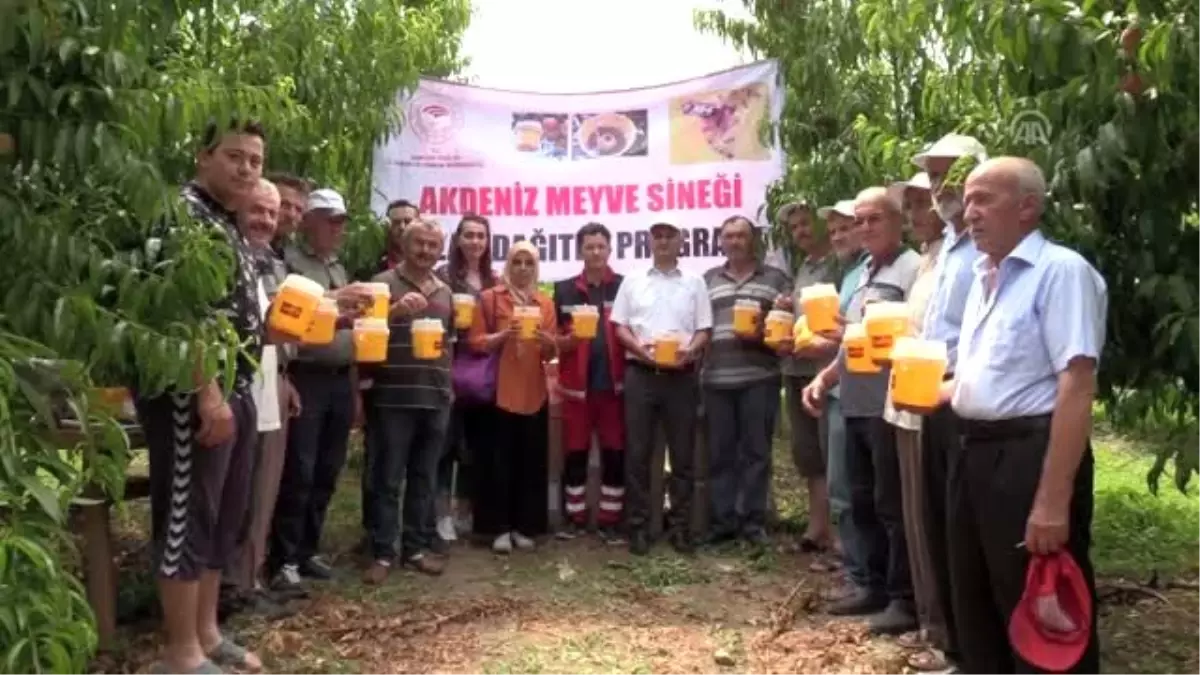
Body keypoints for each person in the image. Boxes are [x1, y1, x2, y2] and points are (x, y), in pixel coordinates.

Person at [900, 157, 1106, 674]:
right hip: (970, 453)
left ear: (1028, 208)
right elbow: (987, 376)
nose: (970, 211)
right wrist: (938, 392)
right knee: (975, 602)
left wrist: (1052, 502)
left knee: (1040, 607)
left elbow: (1077, 386)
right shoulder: (984, 276)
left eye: (984, 198)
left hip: (1025, 457)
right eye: (967, 199)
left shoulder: (1061, 272)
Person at [135, 119, 269, 675]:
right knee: (187, 519)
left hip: (237, 388)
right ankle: (181, 654)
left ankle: (208, 634)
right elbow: (174, 314)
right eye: (234, 156)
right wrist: (207, 394)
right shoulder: (182, 217)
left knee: (221, 519)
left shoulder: (228, 223)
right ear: (202, 157)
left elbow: (242, 315)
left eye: (255, 161)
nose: (246, 169)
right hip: (193, 395)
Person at [803, 187, 921, 635]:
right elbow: (850, 342)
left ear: (898, 222)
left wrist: (857, 329)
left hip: (891, 404)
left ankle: (902, 597)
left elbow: (913, 331)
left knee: (893, 504)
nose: (865, 228)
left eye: (876, 219)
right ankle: (869, 586)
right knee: (861, 499)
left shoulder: (914, 268)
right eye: (861, 221)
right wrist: (824, 378)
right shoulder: (859, 273)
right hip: (853, 401)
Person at [902, 133, 988, 670]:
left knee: (969, 527)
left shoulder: (984, 244)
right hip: (932, 392)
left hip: (970, 397)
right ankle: (954, 642)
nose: (940, 188)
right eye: (933, 177)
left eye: (948, 175)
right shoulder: (948, 248)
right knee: (938, 521)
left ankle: (978, 647)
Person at [880, 170, 953, 669]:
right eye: (909, 205)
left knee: (937, 521)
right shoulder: (930, 258)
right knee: (915, 516)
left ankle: (948, 631)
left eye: (922, 203)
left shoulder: (958, 255)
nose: (915, 214)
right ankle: (933, 622)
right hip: (905, 399)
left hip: (939, 401)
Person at [270, 189, 357, 591]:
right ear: (309, 221)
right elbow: (291, 316)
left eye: (341, 221)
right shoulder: (290, 262)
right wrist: (333, 301)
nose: (336, 228)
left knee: (327, 467)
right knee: (300, 469)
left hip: (341, 375)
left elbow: (327, 321)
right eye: (329, 220)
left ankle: (308, 549)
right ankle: (283, 557)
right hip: (306, 374)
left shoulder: (338, 266)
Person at [223, 179, 301, 620]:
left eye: (272, 214)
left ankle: (249, 579)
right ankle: (229, 586)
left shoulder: (272, 260)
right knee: (238, 483)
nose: (266, 221)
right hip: (236, 378)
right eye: (258, 210)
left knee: (264, 483)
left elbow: (279, 329)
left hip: (271, 375)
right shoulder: (227, 255)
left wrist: (286, 375)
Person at [611, 221, 713, 556]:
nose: (664, 240)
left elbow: (704, 329)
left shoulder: (694, 282)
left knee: (682, 456)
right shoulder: (633, 280)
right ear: (650, 241)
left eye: (670, 235)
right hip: (641, 373)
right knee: (638, 454)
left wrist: (692, 350)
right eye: (658, 235)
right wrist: (640, 349)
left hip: (681, 377)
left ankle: (680, 526)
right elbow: (619, 326)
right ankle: (638, 527)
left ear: (681, 241)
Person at [362, 219, 455, 582]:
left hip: (435, 396)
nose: (426, 251)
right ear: (403, 244)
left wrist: (449, 389)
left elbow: (449, 343)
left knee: (424, 476)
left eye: (433, 245)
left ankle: (414, 548)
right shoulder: (382, 284)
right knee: (386, 477)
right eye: (420, 243)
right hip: (393, 395)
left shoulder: (445, 292)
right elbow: (361, 327)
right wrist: (396, 311)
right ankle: (382, 552)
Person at [702, 216, 792, 547]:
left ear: (752, 240)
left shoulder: (776, 279)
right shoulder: (708, 280)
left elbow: (787, 329)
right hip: (716, 379)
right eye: (728, 236)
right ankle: (723, 521)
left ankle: (753, 522)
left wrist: (762, 333)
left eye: (741, 235)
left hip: (760, 377)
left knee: (756, 453)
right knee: (720, 454)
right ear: (720, 242)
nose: (735, 241)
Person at [467, 242, 557, 553]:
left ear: (536, 268)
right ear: (507, 265)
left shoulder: (544, 303)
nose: (522, 268)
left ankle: (524, 526)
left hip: (533, 391)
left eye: (528, 263)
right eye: (516, 262)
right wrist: (503, 336)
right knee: (497, 463)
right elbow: (475, 342)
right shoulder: (491, 299)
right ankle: (497, 528)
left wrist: (549, 343)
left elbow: (551, 352)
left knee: (529, 463)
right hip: (499, 392)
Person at [552, 222, 626, 543]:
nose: (595, 252)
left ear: (610, 250)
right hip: (576, 391)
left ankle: (610, 521)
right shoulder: (564, 289)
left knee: (614, 454)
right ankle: (575, 518)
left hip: (614, 389)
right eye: (589, 247)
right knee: (575, 455)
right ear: (580, 251)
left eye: (601, 246)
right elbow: (553, 337)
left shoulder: (625, 286)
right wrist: (568, 340)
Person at [774, 201, 840, 553]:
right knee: (808, 452)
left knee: (835, 451)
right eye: (794, 227)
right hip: (796, 367)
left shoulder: (840, 263)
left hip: (828, 370)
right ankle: (818, 527)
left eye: (805, 224)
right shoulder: (804, 267)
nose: (800, 231)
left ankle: (842, 535)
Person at [433, 214, 497, 544]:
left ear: (488, 242)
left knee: (473, 448)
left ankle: (464, 511)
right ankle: (440, 514)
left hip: (483, 375)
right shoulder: (442, 277)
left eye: (480, 236)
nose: (475, 241)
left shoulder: (494, 281)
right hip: (449, 370)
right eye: (469, 235)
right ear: (457, 239)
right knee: (444, 447)